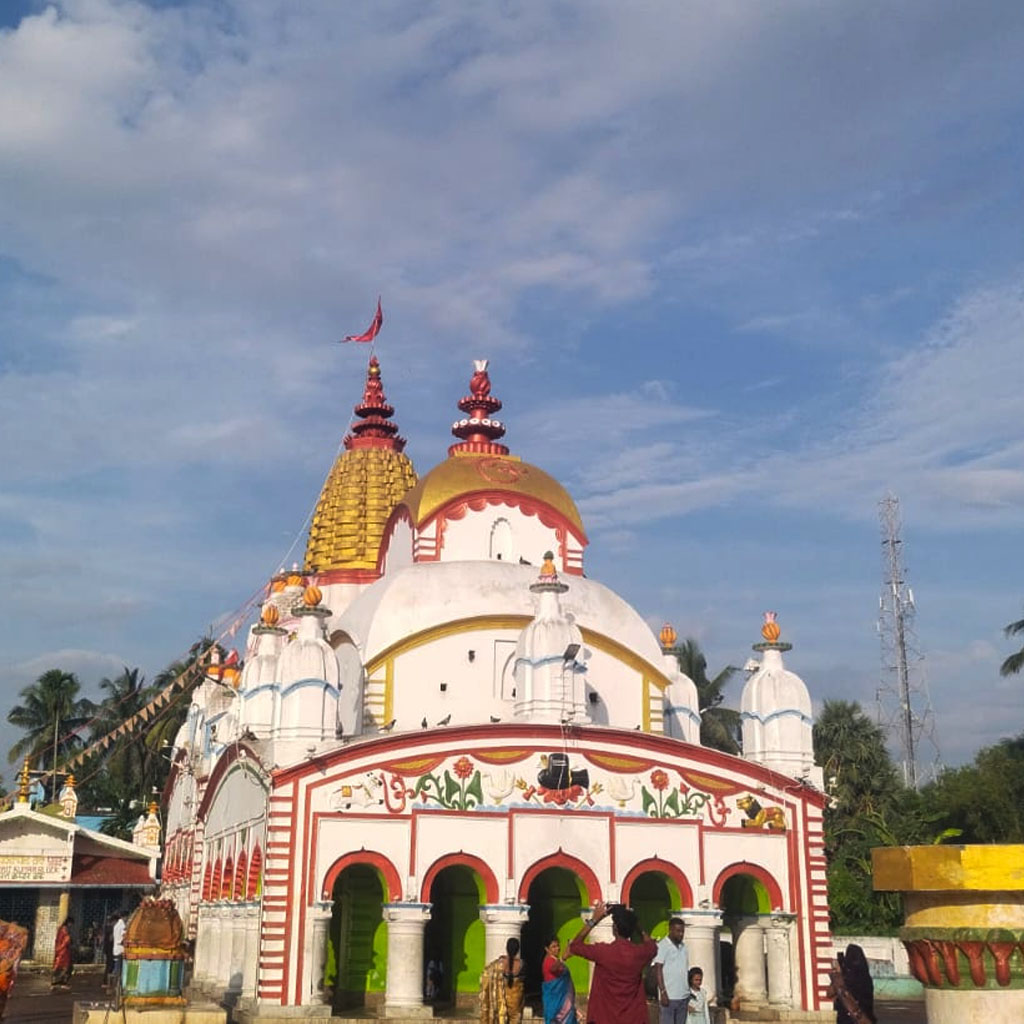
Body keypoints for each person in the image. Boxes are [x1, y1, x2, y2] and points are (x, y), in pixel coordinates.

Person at [568, 900, 656, 1024]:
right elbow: (652, 946)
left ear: (614, 928)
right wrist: (635, 923)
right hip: (632, 1017)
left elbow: (575, 946)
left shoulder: (603, 952)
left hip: (604, 1017)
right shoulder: (639, 954)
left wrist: (594, 920)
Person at [480, 936, 525, 1024]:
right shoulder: (521, 964)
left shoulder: (498, 964)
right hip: (516, 999)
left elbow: (485, 975)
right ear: (518, 949)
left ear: (506, 948)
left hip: (501, 998)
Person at [652, 917, 689, 1024]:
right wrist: (663, 992)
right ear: (670, 930)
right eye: (678, 931)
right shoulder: (662, 946)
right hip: (669, 996)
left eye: (682, 931)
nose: (681, 934)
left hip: (683, 996)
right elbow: (658, 969)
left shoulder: (684, 947)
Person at [827, 944, 876, 1024]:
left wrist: (838, 974)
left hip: (847, 1019)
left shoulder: (844, 978)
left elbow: (829, 993)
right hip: (864, 1019)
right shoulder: (866, 978)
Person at [541, 934, 576, 1024]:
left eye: (558, 946)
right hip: (555, 1003)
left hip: (565, 1002)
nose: (557, 948)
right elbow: (553, 968)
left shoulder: (556, 960)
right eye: (553, 947)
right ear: (547, 949)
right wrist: (563, 958)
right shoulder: (548, 961)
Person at [0, 921, 29, 1019]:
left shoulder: (11, 946)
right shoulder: (11, 946)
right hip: (4, 974)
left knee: (2, 996)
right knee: (2, 996)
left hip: (4, 974)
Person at [51, 916, 74, 989]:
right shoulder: (64, 930)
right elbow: (66, 941)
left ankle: (55, 983)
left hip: (60, 950)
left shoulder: (61, 929)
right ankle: (62, 982)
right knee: (64, 967)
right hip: (64, 951)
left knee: (59, 967)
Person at [111, 912, 126, 991]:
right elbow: (124, 937)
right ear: (125, 917)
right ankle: (116, 985)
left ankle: (113, 984)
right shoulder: (122, 925)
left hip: (116, 949)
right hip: (120, 949)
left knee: (116, 967)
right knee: (118, 969)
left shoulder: (116, 925)